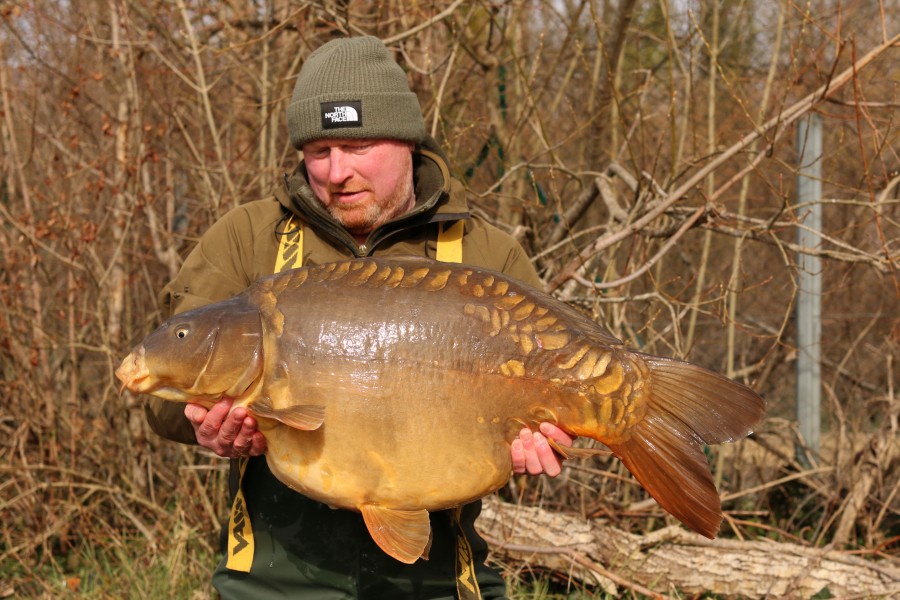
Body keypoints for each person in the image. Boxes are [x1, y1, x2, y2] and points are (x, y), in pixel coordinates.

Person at [145, 35, 573, 599]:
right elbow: (161, 396)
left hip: (442, 581)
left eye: (358, 145)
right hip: (275, 583)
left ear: (407, 142)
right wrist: (203, 425)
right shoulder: (247, 239)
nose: (337, 173)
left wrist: (551, 440)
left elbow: (558, 398)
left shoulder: (484, 252)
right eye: (319, 153)